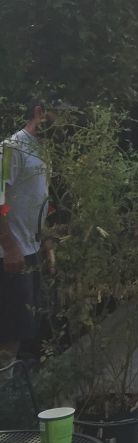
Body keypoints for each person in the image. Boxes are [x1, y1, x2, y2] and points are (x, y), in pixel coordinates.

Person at [0, 99, 54, 364]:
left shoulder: (41, 150)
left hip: (30, 249)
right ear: (39, 113)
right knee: (12, 330)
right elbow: (0, 198)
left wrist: (45, 240)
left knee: (27, 326)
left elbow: (39, 197)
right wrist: (9, 247)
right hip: (10, 254)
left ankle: (17, 380)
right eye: (61, 116)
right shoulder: (12, 148)